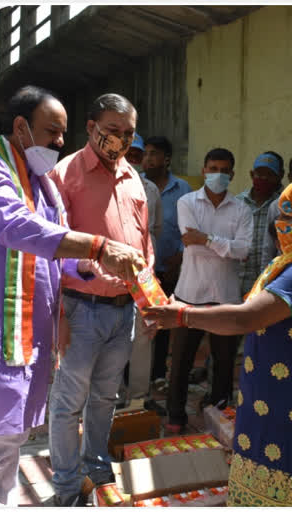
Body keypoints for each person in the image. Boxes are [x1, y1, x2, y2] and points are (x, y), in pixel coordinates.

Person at [146, 176, 292, 506]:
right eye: (280, 218)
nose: (281, 226)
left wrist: (181, 316)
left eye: (291, 219)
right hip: (278, 402)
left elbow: (244, 318)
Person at [0, 86, 143, 506]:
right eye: (52, 131)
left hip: (45, 329)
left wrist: (86, 266)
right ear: (20, 128)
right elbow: (17, 228)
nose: (59, 142)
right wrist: (98, 247)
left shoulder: (40, 184)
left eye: (62, 133)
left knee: (8, 445)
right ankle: (61, 486)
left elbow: (51, 256)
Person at [48, 93, 155, 506]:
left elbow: (144, 243)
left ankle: (95, 467)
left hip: (123, 309)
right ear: (91, 127)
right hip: (81, 309)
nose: (121, 140)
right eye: (113, 131)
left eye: (128, 133)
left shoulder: (132, 175)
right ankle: (66, 486)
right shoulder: (66, 175)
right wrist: (60, 315)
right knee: (68, 404)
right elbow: (50, 248)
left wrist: (147, 301)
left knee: (106, 396)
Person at [165, 148, 253, 432]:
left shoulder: (242, 209)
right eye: (213, 167)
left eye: (224, 169)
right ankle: (175, 417)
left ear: (232, 174)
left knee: (224, 364)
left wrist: (207, 239)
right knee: (180, 361)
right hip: (190, 294)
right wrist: (222, 245)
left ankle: (220, 416)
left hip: (226, 297)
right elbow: (190, 242)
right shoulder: (186, 202)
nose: (218, 174)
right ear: (203, 170)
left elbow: (244, 251)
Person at [142, 135, 192, 388]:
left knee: (164, 320)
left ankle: (159, 373)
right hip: (140, 271)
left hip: (171, 267)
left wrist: (180, 257)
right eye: (146, 153)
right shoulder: (135, 185)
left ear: (167, 158)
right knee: (140, 323)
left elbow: (192, 225)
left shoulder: (182, 189)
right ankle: (133, 376)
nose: (148, 158)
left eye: (154, 153)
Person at [122, 133, 164, 413]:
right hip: (111, 272)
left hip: (143, 274)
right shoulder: (102, 183)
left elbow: (155, 230)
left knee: (144, 336)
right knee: (112, 336)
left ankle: (137, 397)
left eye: (138, 156)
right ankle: (112, 397)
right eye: (130, 155)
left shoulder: (151, 189)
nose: (134, 161)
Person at [236, 152, 284, 295]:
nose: (264, 179)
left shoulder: (282, 205)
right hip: (237, 283)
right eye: (259, 174)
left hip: (271, 285)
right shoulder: (238, 202)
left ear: (280, 176)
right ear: (252, 174)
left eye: (270, 175)